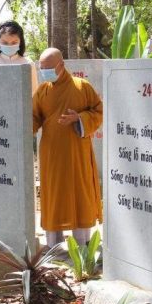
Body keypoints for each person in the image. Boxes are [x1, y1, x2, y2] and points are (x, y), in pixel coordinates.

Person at [33, 48, 103, 247]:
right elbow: (33, 117)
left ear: (61, 65)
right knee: (53, 194)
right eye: (42, 68)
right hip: (51, 153)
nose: (44, 72)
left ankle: (82, 244)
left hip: (76, 152)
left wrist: (79, 118)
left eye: (48, 68)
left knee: (79, 192)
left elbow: (98, 111)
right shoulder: (42, 90)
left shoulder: (82, 87)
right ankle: (53, 244)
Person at [0, 21, 38, 92]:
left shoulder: (28, 63)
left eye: (14, 42)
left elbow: (34, 91)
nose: (9, 46)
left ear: (20, 42)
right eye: (4, 43)